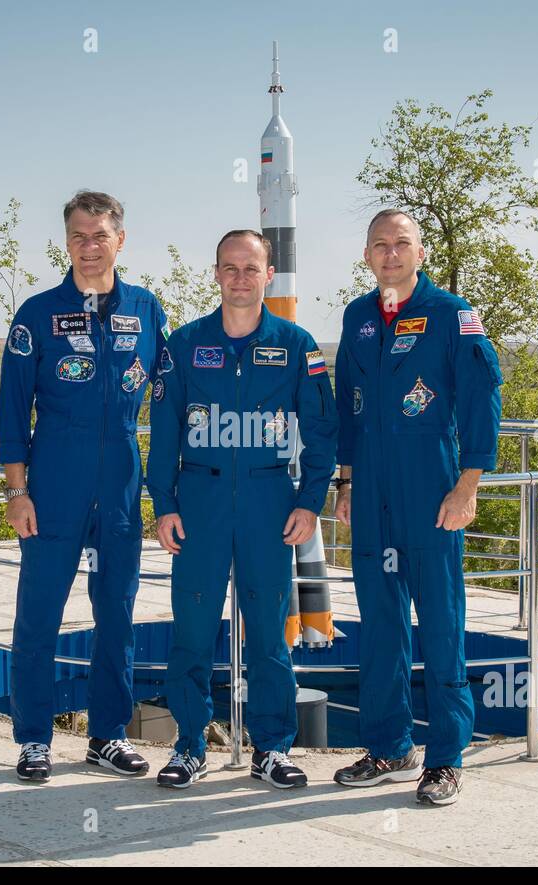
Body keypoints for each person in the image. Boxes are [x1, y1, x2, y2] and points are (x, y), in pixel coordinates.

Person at [146, 230, 337, 789]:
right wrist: (165, 505)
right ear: (215, 274)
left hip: (269, 504)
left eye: (250, 268)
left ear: (267, 275)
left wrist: (310, 502)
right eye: (229, 268)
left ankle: (272, 748)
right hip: (199, 504)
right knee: (193, 631)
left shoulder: (296, 344)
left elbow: (322, 433)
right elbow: (162, 434)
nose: (240, 278)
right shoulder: (182, 345)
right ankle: (188, 745)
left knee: (269, 636)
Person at [331, 209, 502, 805]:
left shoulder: (454, 316)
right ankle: (390, 747)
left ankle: (447, 757)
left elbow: (482, 402)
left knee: (440, 623)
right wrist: (346, 483)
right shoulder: (357, 318)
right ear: (367, 254)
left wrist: (469, 485)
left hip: (432, 493)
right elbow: (348, 411)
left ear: (420, 253)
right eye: (379, 244)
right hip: (372, 495)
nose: (390, 254)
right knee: (379, 625)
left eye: (401, 244)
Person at [0, 190, 168, 783]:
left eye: (100, 236)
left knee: (117, 612)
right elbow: (13, 411)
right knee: (39, 612)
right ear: (65, 242)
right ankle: (34, 739)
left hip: (120, 472)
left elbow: (172, 398)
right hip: (54, 475)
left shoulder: (147, 310)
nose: (89, 247)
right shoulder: (37, 314)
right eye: (78, 236)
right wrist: (18, 491)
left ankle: (108, 735)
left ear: (121, 240)